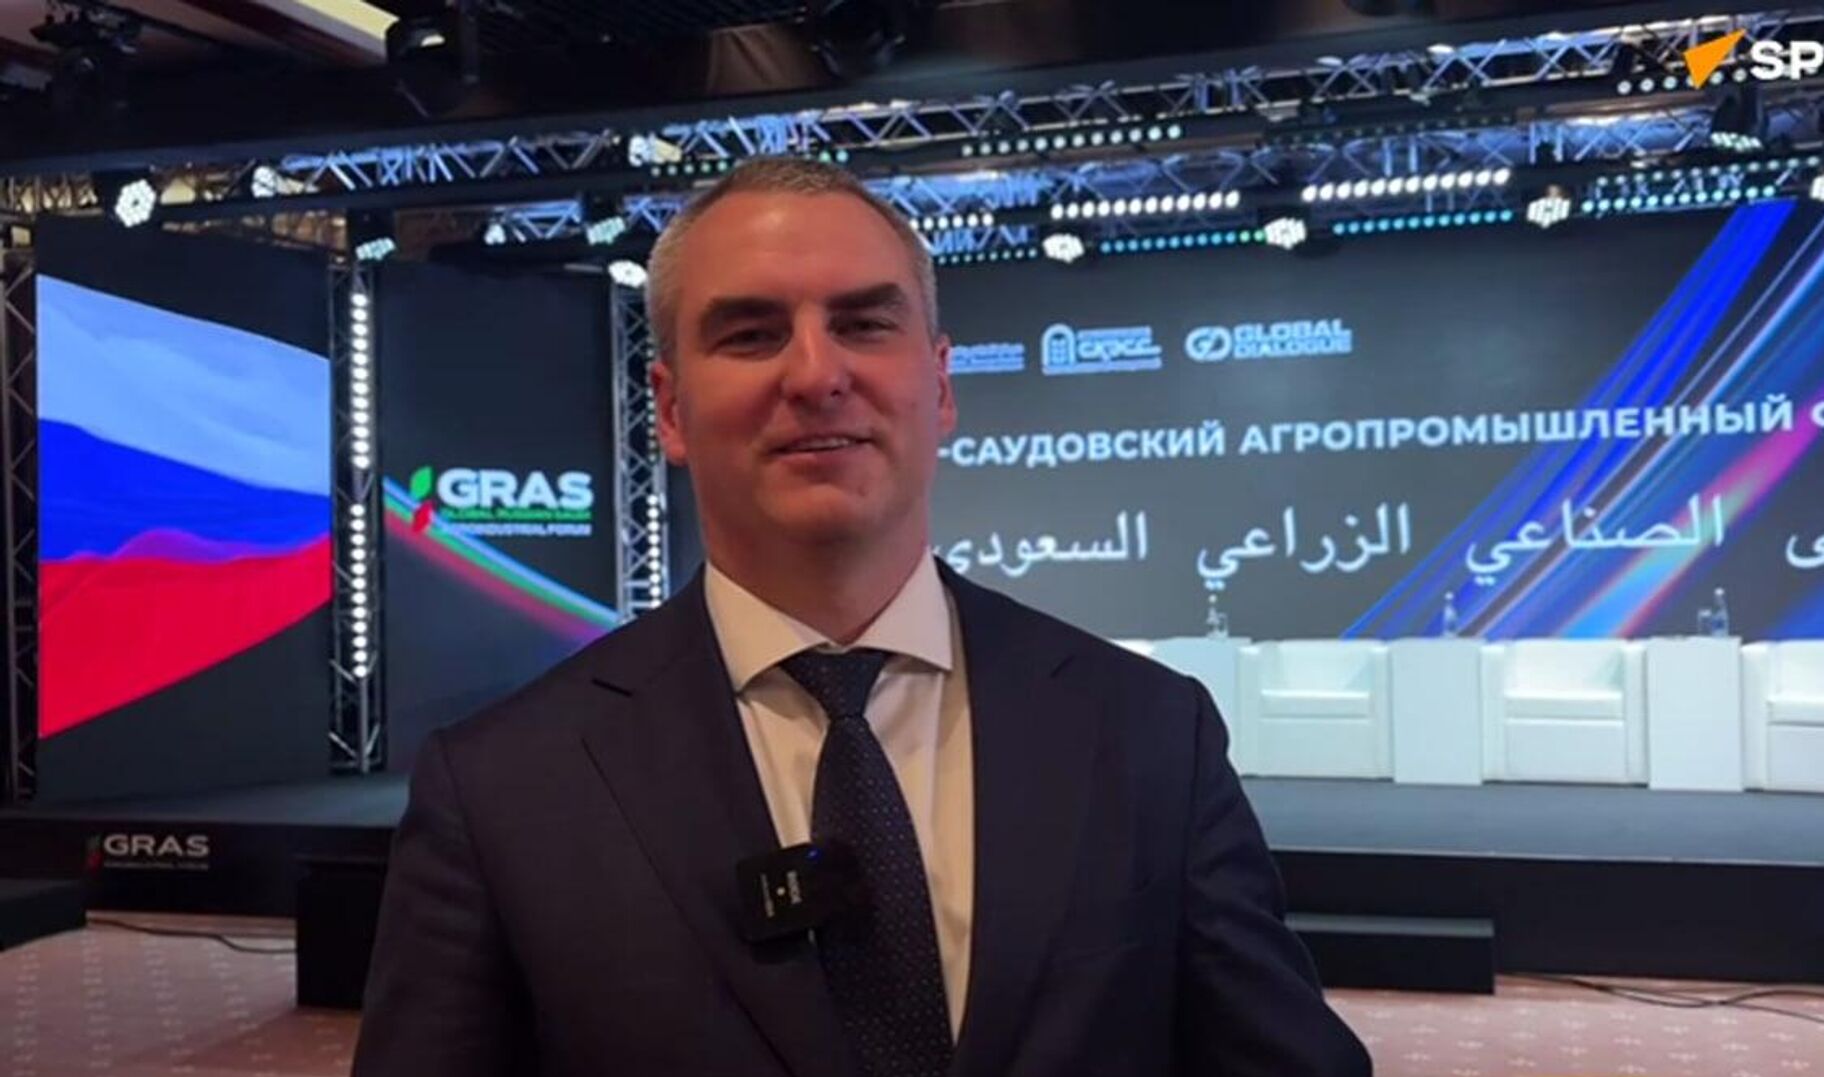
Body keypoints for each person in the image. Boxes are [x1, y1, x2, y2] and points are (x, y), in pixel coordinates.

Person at [352, 157, 1372, 1077]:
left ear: (941, 384)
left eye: (864, 324)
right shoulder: (503, 789)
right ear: (669, 409)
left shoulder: (1149, 732)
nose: (815, 374)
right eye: (751, 334)